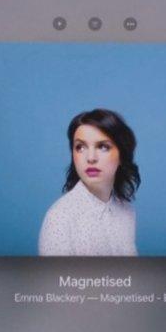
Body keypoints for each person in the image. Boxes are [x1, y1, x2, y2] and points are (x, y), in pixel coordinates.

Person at [38, 108, 141, 256]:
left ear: (122, 155)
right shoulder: (59, 218)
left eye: (103, 146)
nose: (90, 158)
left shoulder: (126, 211)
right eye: (80, 147)